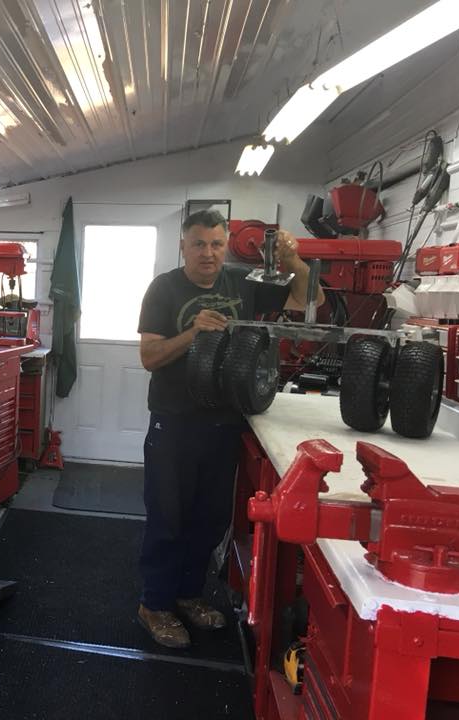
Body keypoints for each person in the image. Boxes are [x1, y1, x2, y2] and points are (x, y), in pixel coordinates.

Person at [135, 210, 323, 648]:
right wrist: (193, 333)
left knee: (210, 518)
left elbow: (306, 299)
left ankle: (188, 595)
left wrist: (293, 261)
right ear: (183, 246)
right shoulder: (164, 288)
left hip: (225, 420)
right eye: (199, 244)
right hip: (174, 421)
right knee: (167, 516)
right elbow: (149, 357)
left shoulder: (242, 281)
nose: (209, 253)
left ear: (226, 246)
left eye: (217, 244)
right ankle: (154, 604)